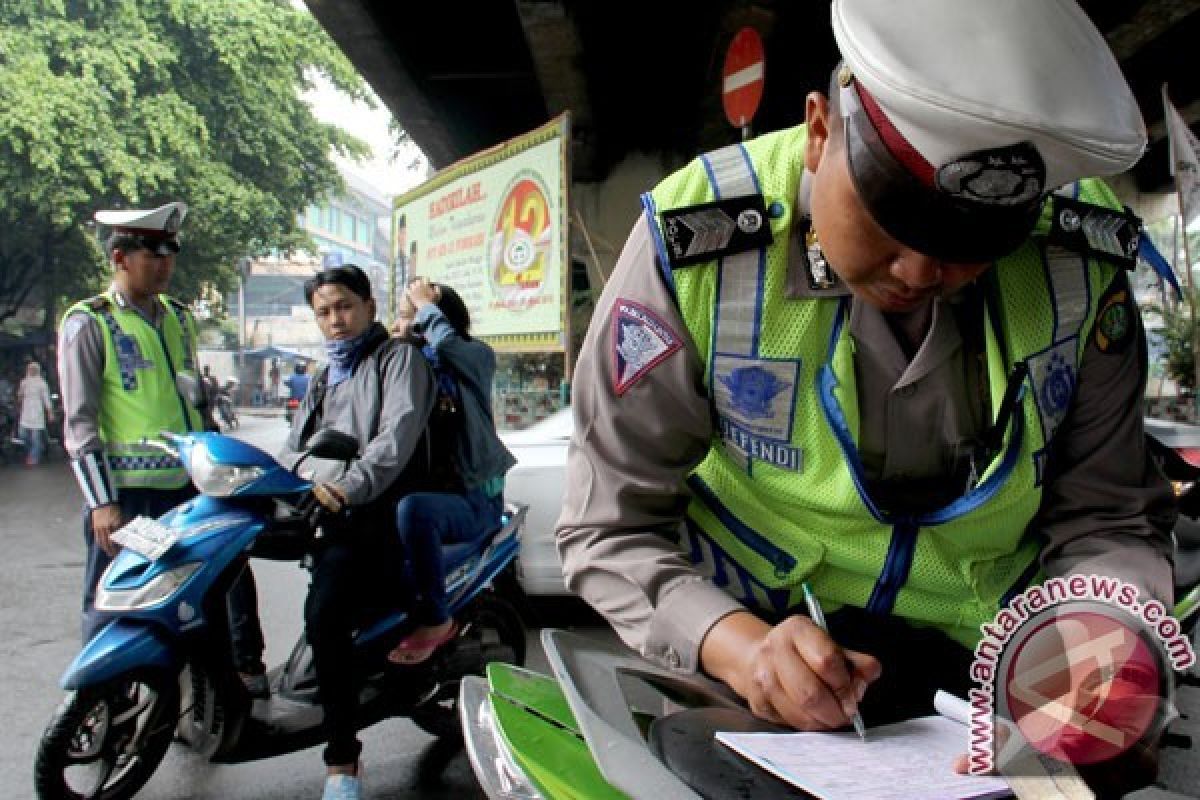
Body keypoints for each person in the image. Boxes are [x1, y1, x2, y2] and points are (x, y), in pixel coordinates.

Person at [556, 0, 1175, 792]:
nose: (920, 273)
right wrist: (740, 648)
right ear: (820, 131)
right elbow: (609, 525)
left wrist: (1102, 652)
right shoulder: (701, 250)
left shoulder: (1077, 261)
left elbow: (1109, 514)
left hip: (994, 685)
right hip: (759, 669)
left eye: (966, 246)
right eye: (892, 219)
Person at [57, 201, 266, 685]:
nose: (165, 263)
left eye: (170, 252)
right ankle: (101, 707)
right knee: (112, 601)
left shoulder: (178, 316)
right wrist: (102, 503)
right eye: (152, 252)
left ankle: (209, 699)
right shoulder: (89, 322)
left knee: (198, 595)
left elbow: (192, 399)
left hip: (187, 492)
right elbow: (79, 423)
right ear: (119, 258)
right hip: (127, 499)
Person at [280, 264, 436, 800]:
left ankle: (342, 762)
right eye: (324, 311)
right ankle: (250, 678)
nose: (335, 320)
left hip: (376, 511)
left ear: (369, 307)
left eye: (344, 306)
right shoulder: (327, 373)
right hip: (325, 507)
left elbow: (395, 439)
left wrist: (348, 487)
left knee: (323, 618)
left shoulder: (399, 358)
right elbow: (299, 444)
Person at [386, 277, 515, 664]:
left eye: (409, 316)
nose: (398, 326)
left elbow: (446, 344)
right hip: (424, 492)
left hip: (472, 500)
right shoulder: (404, 371)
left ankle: (438, 620)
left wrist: (425, 305)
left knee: (413, 509)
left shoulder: (474, 360)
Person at [16, 361, 54, 466]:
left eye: (34, 369)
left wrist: (50, 412)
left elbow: (46, 398)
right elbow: (20, 396)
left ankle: (33, 457)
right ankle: (34, 450)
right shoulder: (24, 382)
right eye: (30, 369)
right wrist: (19, 396)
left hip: (37, 412)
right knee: (23, 435)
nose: (32, 370)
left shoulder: (42, 383)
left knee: (35, 437)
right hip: (26, 412)